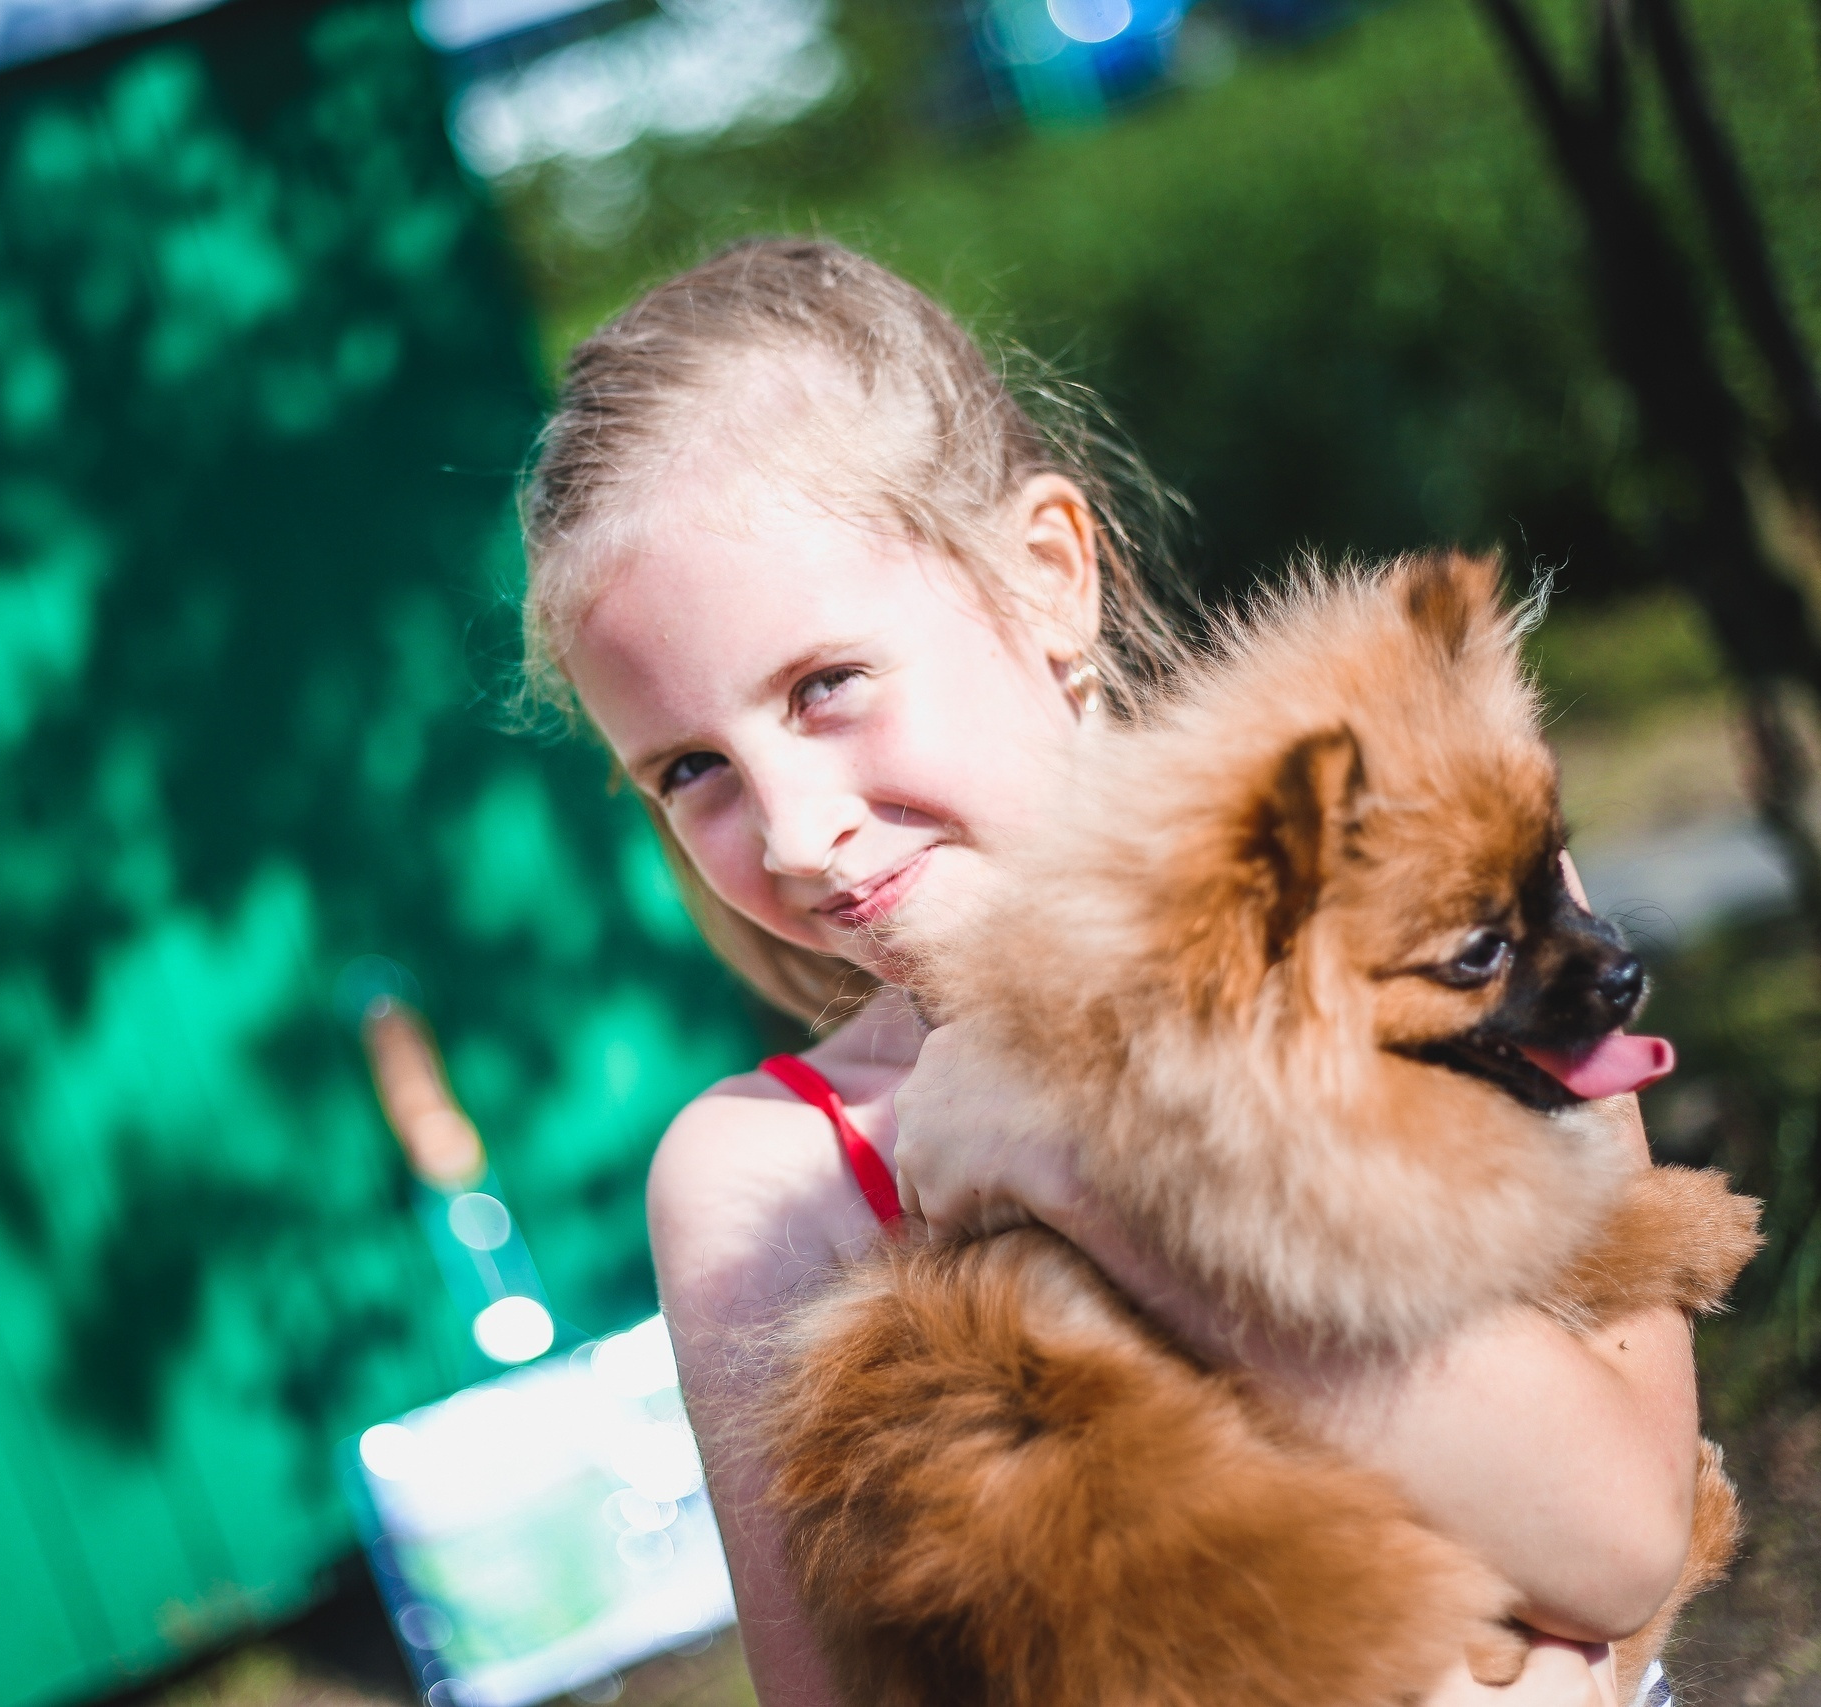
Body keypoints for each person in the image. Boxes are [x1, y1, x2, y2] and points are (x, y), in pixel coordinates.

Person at [525, 237, 1702, 1707]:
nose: (796, 833)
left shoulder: (1454, 920)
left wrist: (1080, 1162)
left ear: (1047, 579)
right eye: (691, 768)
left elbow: (1624, 1539)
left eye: (826, 685)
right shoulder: (770, 1179)